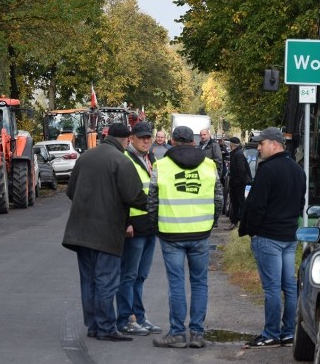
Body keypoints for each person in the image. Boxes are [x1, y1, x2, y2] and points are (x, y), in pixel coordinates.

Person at [62, 122, 148, 342]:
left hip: (80, 232)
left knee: (88, 280)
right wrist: (152, 206)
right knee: (106, 281)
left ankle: (93, 325)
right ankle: (106, 327)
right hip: (107, 232)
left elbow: (71, 191)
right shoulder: (121, 160)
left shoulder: (85, 157)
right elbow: (134, 196)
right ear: (127, 139)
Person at [147, 125, 223, 349]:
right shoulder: (209, 165)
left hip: (171, 234)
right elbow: (219, 198)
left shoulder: (161, 166)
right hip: (200, 233)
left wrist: (158, 226)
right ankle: (197, 334)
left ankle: (177, 333)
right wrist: (211, 224)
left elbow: (152, 201)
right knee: (200, 283)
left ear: (171, 140)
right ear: (193, 141)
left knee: (177, 283)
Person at [238, 127, 305, 348]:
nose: (258, 148)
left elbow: (256, 205)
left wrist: (252, 229)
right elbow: (300, 203)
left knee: (272, 288)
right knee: (290, 286)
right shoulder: (298, 170)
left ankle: (270, 333)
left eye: (261, 144)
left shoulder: (267, 170)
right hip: (288, 236)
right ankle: (288, 333)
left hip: (268, 237)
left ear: (274, 145)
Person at [116, 122, 163, 337]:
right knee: (129, 275)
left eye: (148, 137)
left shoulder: (150, 158)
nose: (146, 141)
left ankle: (140, 318)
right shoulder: (126, 160)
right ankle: (125, 319)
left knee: (140, 276)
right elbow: (119, 196)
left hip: (149, 225)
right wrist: (126, 223)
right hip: (133, 228)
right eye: (142, 137)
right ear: (131, 138)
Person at [198, 128, 224, 226]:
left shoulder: (214, 145)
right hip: (201, 177)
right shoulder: (200, 146)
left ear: (209, 135)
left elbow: (218, 161)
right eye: (201, 135)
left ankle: (215, 220)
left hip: (211, 176)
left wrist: (216, 175)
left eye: (204, 134)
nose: (203, 136)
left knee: (216, 199)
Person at [226, 137, 252, 230]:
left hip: (238, 183)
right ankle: (235, 222)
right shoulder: (236, 153)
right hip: (236, 182)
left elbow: (241, 170)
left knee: (240, 202)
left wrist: (237, 182)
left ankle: (245, 223)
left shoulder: (238, 154)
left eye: (230, 143)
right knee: (235, 202)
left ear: (232, 144)